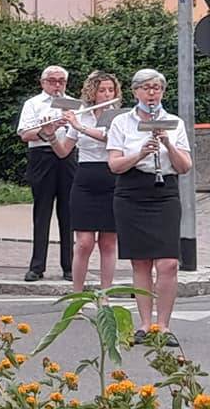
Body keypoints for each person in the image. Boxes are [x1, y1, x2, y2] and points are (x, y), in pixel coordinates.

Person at [107, 68, 192, 348]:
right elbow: (115, 165)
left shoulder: (174, 122)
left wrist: (167, 142)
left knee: (168, 263)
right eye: (146, 88)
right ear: (135, 92)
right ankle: (144, 324)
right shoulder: (122, 122)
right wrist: (141, 153)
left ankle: (163, 326)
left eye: (157, 88)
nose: (152, 93)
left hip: (164, 192)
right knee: (141, 261)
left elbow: (185, 167)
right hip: (132, 191)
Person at [47, 71, 121, 292]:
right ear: (93, 92)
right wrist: (50, 135)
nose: (107, 94)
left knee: (108, 243)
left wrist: (79, 127)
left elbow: (110, 139)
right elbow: (63, 152)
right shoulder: (81, 114)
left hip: (111, 177)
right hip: (85, 179)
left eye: (111, 90)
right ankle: (77, 295)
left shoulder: (119, 117)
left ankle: (105, 295)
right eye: (102, 90)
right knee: (84, 243)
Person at [16, 65, 77, 282]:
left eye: (61, 81)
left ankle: (69, 266)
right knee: (42, 212)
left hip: (67, 155)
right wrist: (46, 130)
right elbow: (24, 134)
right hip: (42, 156)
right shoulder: (33, 104)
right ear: (43, 83)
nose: (57, 85)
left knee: (68, 212)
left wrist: (67, 123)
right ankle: (37, 266)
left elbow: (79, 131)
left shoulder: (73, 104)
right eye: (52, 80)